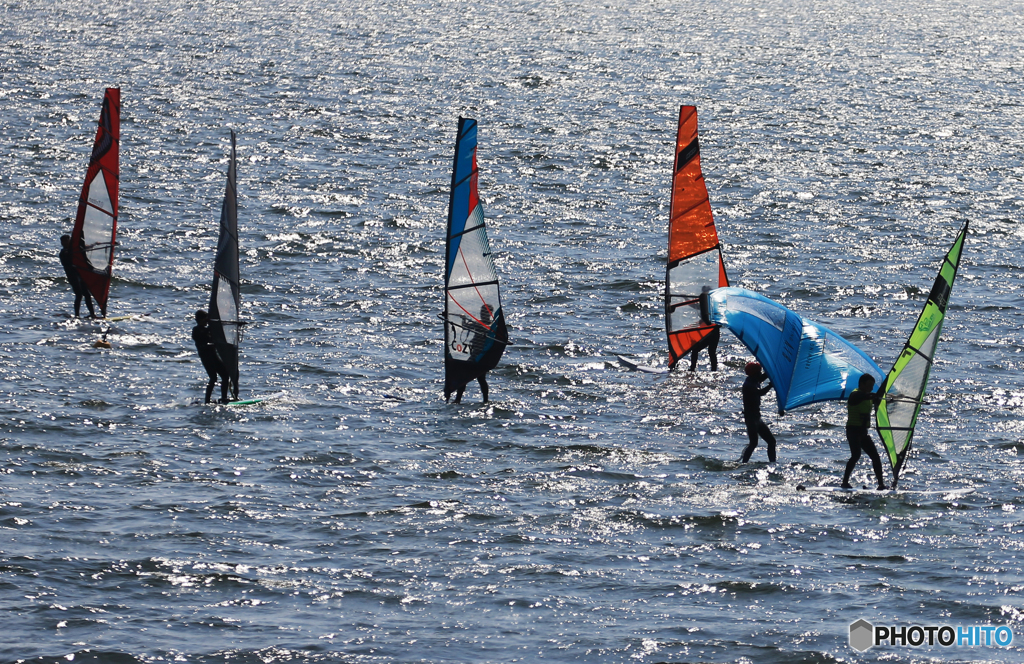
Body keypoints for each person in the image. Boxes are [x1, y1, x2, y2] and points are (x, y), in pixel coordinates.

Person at [842, 374, 887, 490]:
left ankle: (881, 485)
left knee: (875, 457)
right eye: (870, 386)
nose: (872, 388)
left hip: (863, 432)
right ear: (862, 384)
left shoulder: (868, 397)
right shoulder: (855, 394)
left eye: (873, 386)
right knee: (856, 455)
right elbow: (858, 397)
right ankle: (845, 482)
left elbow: (878, 400)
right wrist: (872, 396)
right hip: (853, 431)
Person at [452, 304, 493, 404]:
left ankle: (458, 399)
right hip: (477, 354)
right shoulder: (479, 323)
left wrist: (475, 324)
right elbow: (465, 327)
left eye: (484, 312)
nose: (482, 314)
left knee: (467, 377)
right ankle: (485, 400)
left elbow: (486, 330)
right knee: (479, 378)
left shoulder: (492, 326)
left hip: (482, 355)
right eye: (481, 312)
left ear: (490, 314)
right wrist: (464, 319)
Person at [740, 361, 777, 463]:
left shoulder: (755, 380)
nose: (761, 374)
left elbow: (763, 377)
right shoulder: (749, 384)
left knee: (771, 441)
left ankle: (773, 463)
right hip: (751, 418)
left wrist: (772, 369)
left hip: (757, 418)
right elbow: (760, 392)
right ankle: (744, 463)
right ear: (754, 373)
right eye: (759, 372)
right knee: (753, 443)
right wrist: (771, 385)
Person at [192, 310, 230, 404]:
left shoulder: (208, 329)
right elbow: (202, 338)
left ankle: (224, 398)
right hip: (206, 357)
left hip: (213, 355)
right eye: (205, 319)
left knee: (225, 376)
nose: (206, 320)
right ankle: (207, 401)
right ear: (199, 319)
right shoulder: (196, 330)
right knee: (213, 378)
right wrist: (211, 326)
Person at [59, 235, 96, 318]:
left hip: (79, 275)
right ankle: (77, 315)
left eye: (66, 241)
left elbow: (83, 248)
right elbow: (70, 255)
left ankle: (92, 314)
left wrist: (94, 245)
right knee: (79, 295)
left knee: (87, 294)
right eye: (63, 242)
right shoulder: (63, 253)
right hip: (72, 276)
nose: (64, 243)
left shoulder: (74, 250)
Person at [687, 287, 719, 371]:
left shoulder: (712, 305)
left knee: (697, 350)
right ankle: (713, 370)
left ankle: (692, 368)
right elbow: (694, 306)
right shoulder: (709, 304)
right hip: (712, 332)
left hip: (711, 332)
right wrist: (685, 298)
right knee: (711, 352)